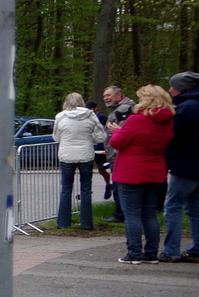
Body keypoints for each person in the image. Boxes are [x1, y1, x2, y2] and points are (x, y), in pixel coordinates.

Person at [109, 84, 175, 263]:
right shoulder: (168, 121)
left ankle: (134, 253)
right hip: (155, 171)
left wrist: (117, 131)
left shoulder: (136, 120)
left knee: (132, 214)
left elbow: (118, 143)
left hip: (131, 172)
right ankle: (151, 253)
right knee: (149, 213)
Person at [160, 72, 199, 262]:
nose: (170, 90)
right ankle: (196, 249)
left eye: (172, 86)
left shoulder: (188, 107)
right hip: (193, 162)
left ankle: (171, 250)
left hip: (187, 163)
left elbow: (173, 133)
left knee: (173, 206)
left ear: (182, 88)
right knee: (194, 207)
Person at [53, 91, 106, 230]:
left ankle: (63, 223)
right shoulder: (90, 115)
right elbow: (101, 136)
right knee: (86, 189)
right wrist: (91, 140)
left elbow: (56, 137)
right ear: (82, 101)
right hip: (86, 154)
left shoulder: (60, 116)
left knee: (66, 189)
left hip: (67, 155)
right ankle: (87, 223)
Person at [102, 85, 136, 222]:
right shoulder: (123, 108)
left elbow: (122, 133)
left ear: (118, 95)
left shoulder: (123, 110)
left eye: (108, 95)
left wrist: (115, 152)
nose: (106, 98)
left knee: (118, 185)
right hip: (116, 153)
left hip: (118, 155)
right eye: (104, 96)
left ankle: (120, 214)